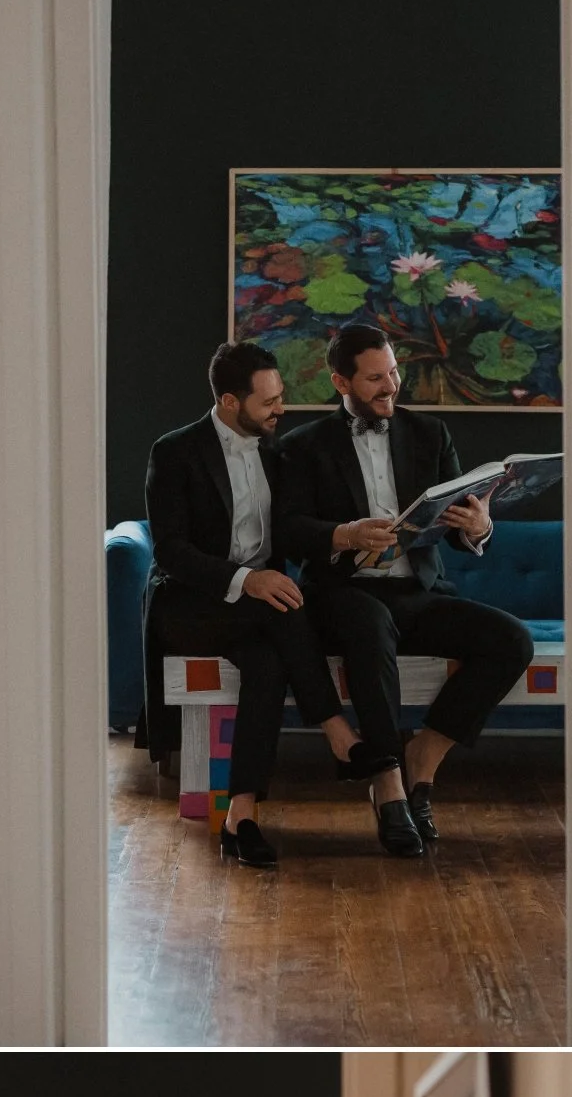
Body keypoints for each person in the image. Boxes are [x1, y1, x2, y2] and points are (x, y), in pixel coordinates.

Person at [276, 306, 535, 857]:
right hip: (341, 596)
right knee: (369, 628)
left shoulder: (429, 432)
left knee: (511, 639)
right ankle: (389, 785)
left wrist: (479, 526)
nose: (390, 385)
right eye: (375, 377)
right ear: (340, 382)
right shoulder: (302, 445)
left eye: (393, 372)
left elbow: (466, 515)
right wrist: (345, 534)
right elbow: (289, 529)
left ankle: (424, 759)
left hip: (415, 593)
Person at [142, 343, 372, 879]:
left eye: (281, 397)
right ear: (228, 401)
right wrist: (247, 579)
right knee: (285, 609)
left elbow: (293, 529)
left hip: (258, 609)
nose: (280, 410)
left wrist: (347, 540)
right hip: (190, 604)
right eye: (268, 401)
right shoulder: (175, 451)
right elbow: (171, 551)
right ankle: (337, 730)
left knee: (269, 663)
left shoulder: (277, 452)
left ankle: (240, 817)